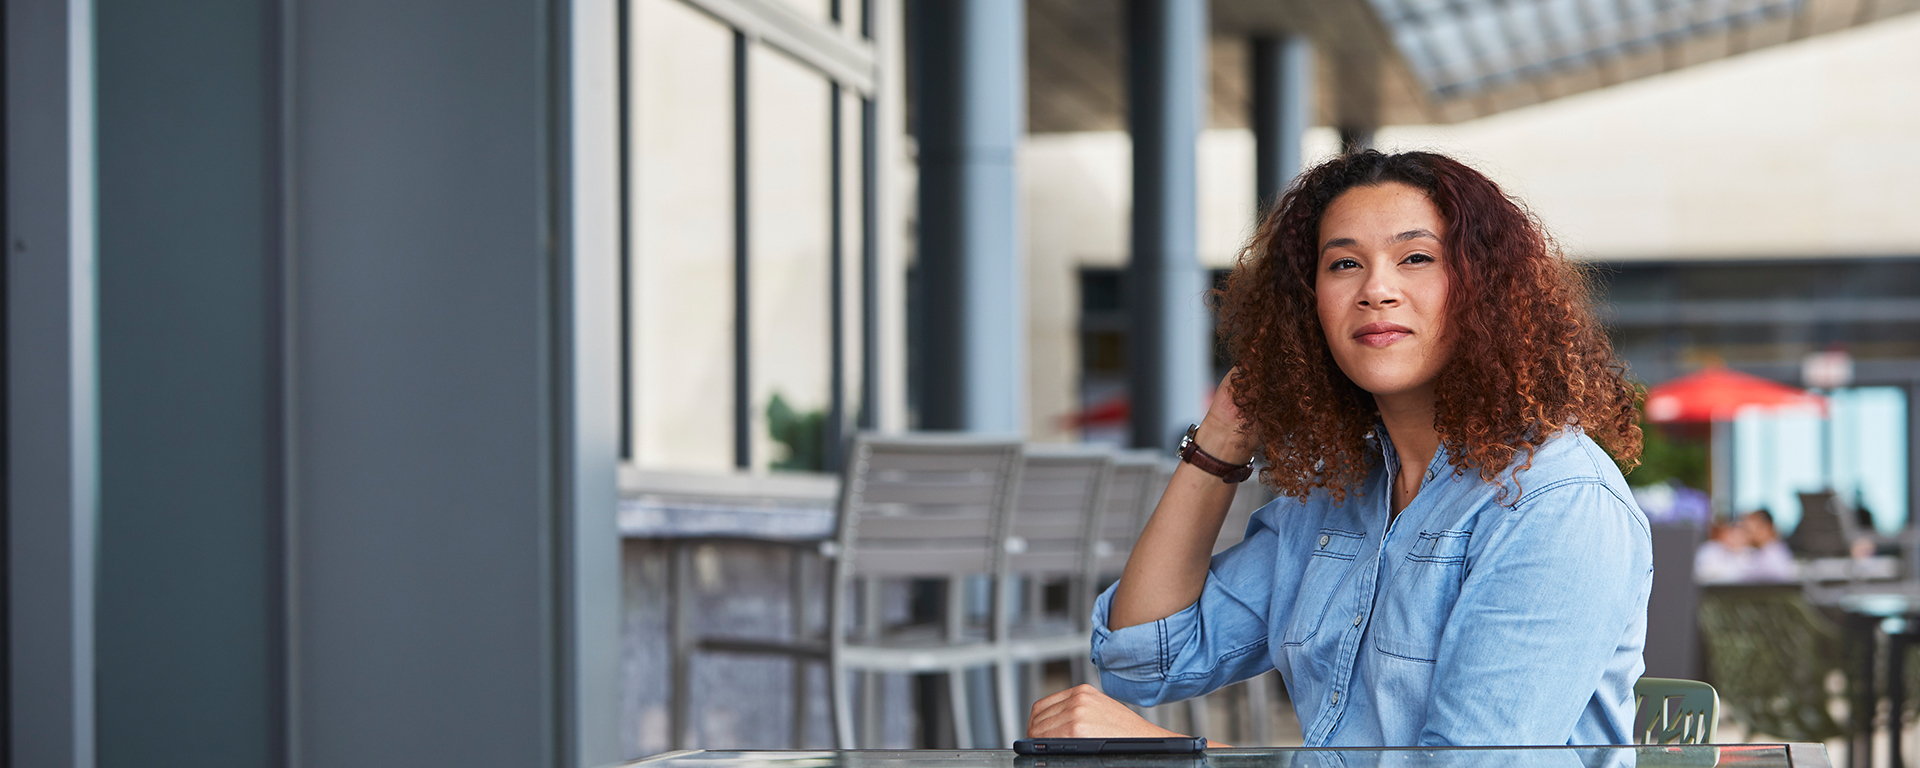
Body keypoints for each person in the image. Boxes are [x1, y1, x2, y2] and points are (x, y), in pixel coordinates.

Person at [1026, 151, 1651, 746]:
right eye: (1344, 264)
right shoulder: (1341, 496)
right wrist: (1220, 441)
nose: (1375, 289)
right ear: (1309, 306)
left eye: (1415, 258)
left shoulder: (1557, 504)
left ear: (1483, 289)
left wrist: (1180, 754)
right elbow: (1145, 658)